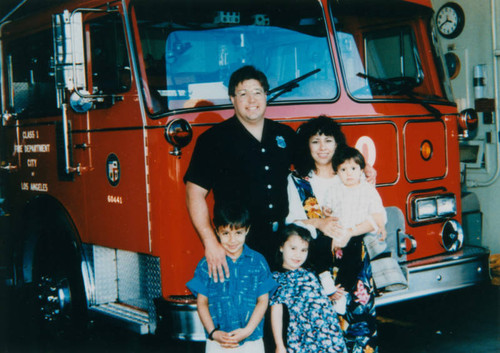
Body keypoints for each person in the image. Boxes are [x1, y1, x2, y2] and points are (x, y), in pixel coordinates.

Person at [184, 65, 296, 281]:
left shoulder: (283, 134)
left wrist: (363, 167)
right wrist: (211, 244)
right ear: (232, 99)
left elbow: (318, 161)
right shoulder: (213, 140)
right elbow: (194, 194)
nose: (251, 100)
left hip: (282, 244)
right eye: (243, 94)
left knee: (280, 311)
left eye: (257, 92)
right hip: (238, 247)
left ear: (266, 95)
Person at [286, 116, 379, 353]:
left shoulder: (350, 174)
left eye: (328, 140)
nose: (323, 147)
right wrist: (320, 223)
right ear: (307, 146)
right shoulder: (298, 181)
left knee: (359, 332)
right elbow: (292, 221)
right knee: (320, 337)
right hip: (317, 269)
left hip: (354, 265)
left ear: (338, 144)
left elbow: (372, 215)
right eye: (315, 141)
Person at [186, 202, 277, 353]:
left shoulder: (258, 262)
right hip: (218, 342)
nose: (232, 240)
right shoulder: (207, 264)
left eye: (238, 233)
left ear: (247, 230)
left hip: (251, 341)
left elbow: (263, 300)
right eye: (226, 233)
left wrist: (247, 331)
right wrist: (213, 333)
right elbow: (202, 303)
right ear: (217, 232)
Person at [270, 224, 347, 353]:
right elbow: (276, 312)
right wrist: (279, 345)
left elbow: (314, 298)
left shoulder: (311, 273)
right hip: (303, 339)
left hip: (329, 335)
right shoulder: (277, 278)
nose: (298, 255)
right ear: (281, 247)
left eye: (303, 250)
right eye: (293, 248)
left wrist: (331, 296)